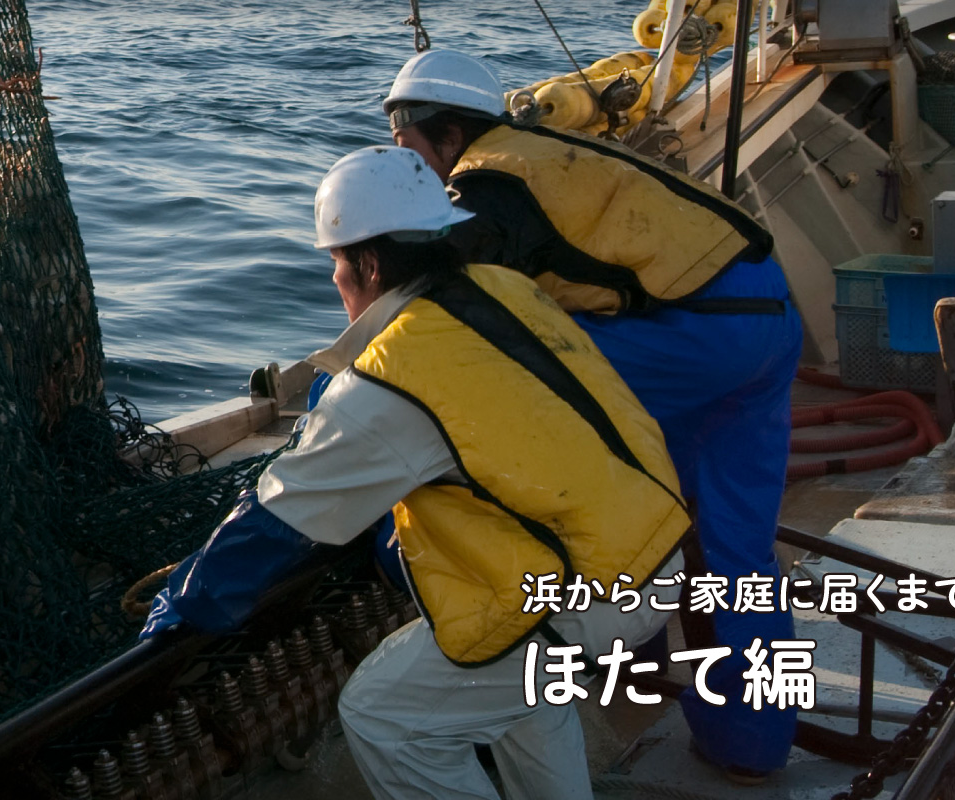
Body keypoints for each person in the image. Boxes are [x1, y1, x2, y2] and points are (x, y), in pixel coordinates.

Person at [141, 146, 689, 800]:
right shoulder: (506, 289)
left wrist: (176, 612)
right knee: (522, 694)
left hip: (586, 593)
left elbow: (275, 522)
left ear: (368, 265)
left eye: (336, 264)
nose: (335, 281)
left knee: (386, 714)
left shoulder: (392, 379)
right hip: (658, 552)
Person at [379, 48, 806, 783]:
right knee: (737, 554)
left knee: (550, 451)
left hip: (691, 335)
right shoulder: (549, 151)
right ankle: (752, 747)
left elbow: (443, 314)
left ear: (443, 133)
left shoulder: (484, 181)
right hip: (770, 318)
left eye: (403, 141)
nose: (402, 158)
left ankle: (598, 663)